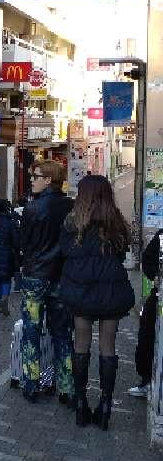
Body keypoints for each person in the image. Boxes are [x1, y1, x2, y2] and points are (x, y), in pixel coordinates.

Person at [59, 175, 135, 429]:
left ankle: (80, 403)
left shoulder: (72, 223)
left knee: (80, 344)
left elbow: (65, 252)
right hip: (111, 293)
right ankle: (105, 405)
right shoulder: (117, 224)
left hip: (81, 292)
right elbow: (124, 251)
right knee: (108, 346)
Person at [20, 160, 74, 404]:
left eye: (36, 176)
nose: (32, 179)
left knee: (31, 330)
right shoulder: (71, 208)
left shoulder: (33, 208)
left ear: (48, 179)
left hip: (35, 276)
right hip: (61, 276)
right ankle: (66, 386)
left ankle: (31, 383)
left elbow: (25, 243)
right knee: (62, 332)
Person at [128, 229, 160, 397]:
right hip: (159, 295)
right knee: (147, 333)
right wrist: (155, 275)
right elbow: (148, 258)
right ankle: (147, 380)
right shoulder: (162, 236)